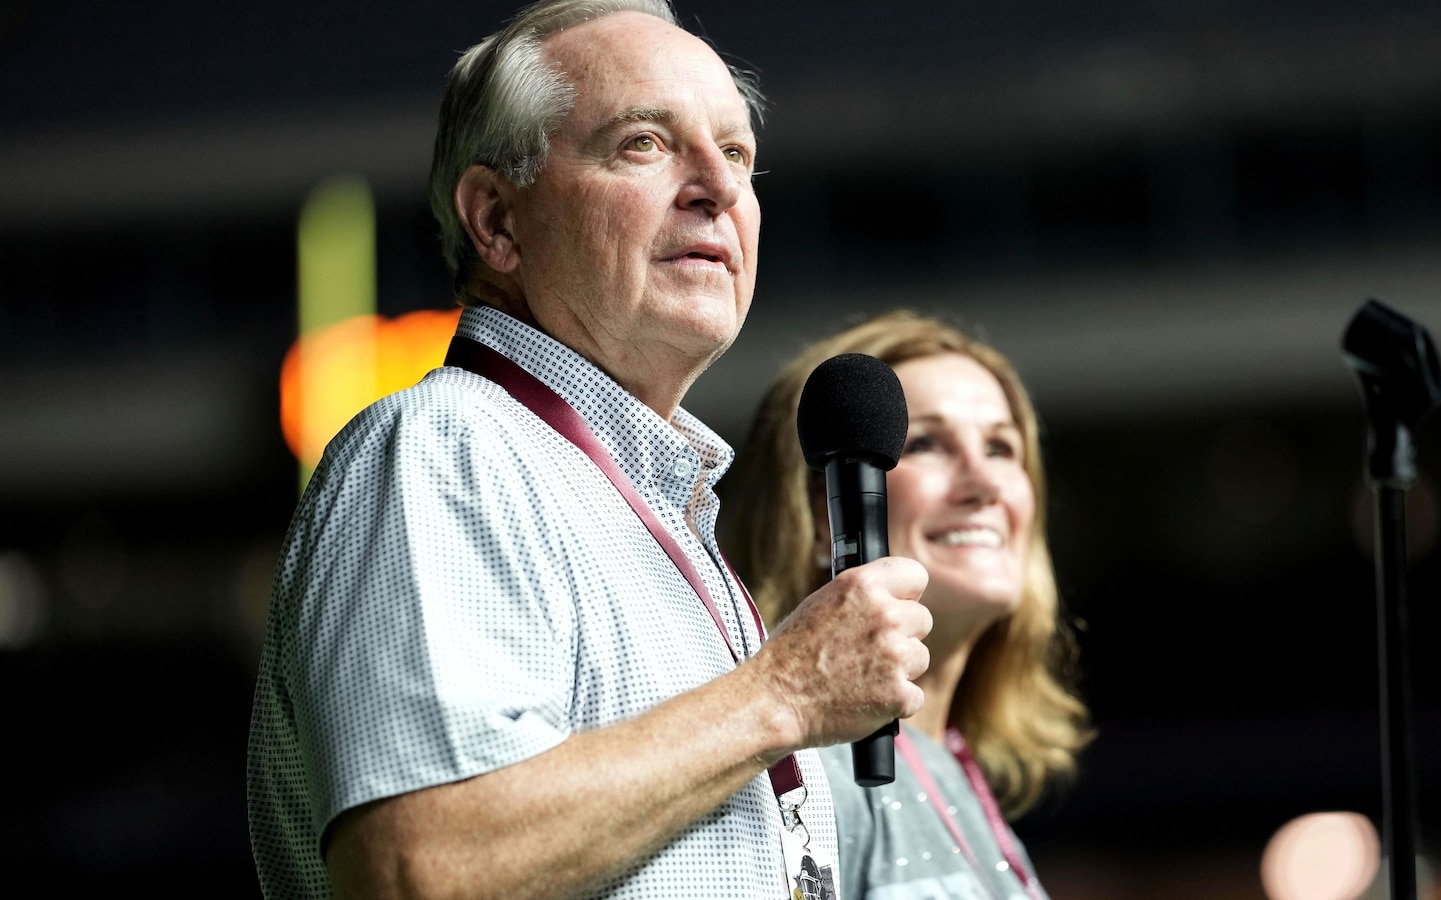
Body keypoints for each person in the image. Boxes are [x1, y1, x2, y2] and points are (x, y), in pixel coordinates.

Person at [246, 3, 933, 898]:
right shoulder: (445, 451)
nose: (718, 189)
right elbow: (421, 866)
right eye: (645, 144)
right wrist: (786, 694)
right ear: (497, 220)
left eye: (736, 154)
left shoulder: (645, 502)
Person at [725, 310, 1093, 900]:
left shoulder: (952, 767)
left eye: (1001, 448)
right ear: (821, 516)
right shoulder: (799, 778)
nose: (984, 484)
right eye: (925, 443)